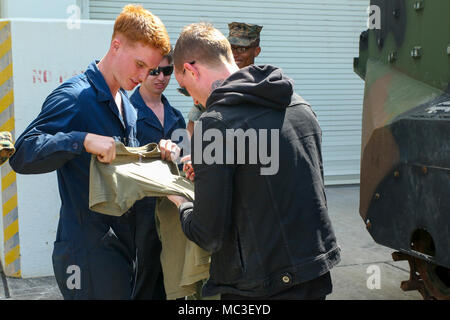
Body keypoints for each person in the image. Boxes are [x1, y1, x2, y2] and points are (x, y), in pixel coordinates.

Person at [166, 22, 341, 299]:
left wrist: (182, 203)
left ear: (191, 69)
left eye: (185, 87)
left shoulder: (216, 124)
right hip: (313, 274)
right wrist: (209, 167)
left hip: (259, 288)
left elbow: (208, 233)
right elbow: (274, 182)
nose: (195, 100)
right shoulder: (299, 106)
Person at [9, 5, 171, 299]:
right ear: (116, 46)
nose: (144, 76)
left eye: (150, 69)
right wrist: (80, 139)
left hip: (123, 250)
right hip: (87, 257)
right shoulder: (75, 97)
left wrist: (158, 153)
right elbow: (23, 152)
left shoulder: (128, 105)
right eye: (139, 64)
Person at [129, 50, 186, 299]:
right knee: (143, 281)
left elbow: (185, 162)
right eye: (155, 71)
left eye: (167, 71)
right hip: (139, 211)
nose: (161, 77)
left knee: (173, 280)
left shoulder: (176, 116)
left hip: (172, 210)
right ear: (142, 71)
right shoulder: (126, 112)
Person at [185, 22, 262, 137]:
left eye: (242, 49)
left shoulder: (262, 84)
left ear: (256, 51)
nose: (234, 54)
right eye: (231, 48)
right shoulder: (216, 82)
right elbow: (194, 121)